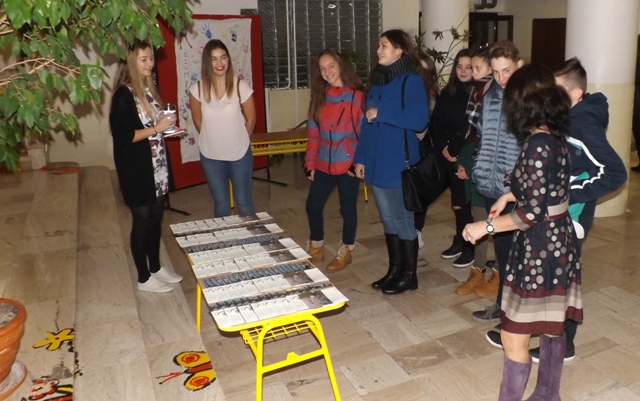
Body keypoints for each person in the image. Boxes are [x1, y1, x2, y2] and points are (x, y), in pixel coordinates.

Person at [464, 82, 583, 401]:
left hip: (539, 245)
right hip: (558, 240)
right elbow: (544, 189)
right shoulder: (555, 139)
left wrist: (485, 226)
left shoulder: (536, 145)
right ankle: (548, 395)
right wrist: (508, 195)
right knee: (551, 324)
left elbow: (531, 213)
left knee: (513, 334)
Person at [525, 57, 625, 362]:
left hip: (572, 215)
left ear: (576, 94)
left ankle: (564, 343)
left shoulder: (583, 125)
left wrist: (569, 193)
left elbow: (615, 173)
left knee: (561, 278)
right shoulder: (566, 117)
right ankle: (539, 331)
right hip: (555, 211)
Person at [353, 29, 429, 294]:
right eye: (378, 45)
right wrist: (360, 158)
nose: (378, 50)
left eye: (384, 45)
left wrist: (382, 112)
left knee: (402, 219)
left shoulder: (411, 81)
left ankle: (409, 276)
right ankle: (395, 270)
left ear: (399, 51)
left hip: (398, 162)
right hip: (376, 160)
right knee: (387, 218)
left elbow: (419, 120)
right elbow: (367, 124)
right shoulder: (377, 81)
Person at [110, 40, 183, 293]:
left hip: (157, 165)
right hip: (137, 169)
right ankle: (143, 277)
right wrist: (156, 129)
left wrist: (168, 129)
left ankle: (156, 267)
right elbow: (124, 136)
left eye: (151, 58)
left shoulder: (150, 89)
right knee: (141, 222)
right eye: (144, 59)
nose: (150, 63)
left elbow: (155, 127)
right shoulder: (123, 95)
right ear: (131, 62)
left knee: (155, 219)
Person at [470, 40, 524, 324]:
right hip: (492, 185)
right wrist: (478, 166)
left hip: (516, 190)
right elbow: (482, 135)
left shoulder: (529, 97)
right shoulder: (489, 95)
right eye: (496, 71)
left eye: (507, 70)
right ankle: (503, 307)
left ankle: (512, 312)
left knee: (516, 253)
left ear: (519, 65)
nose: (501, 77)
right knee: (502, 250)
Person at [304, 49, 365, 271]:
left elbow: (365, 133)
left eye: (331, 66)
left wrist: (358, 161)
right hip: (323, 162)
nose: (327, 72)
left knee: (347, 208)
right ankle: (316, 245)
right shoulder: (318, 98)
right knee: (312, 205)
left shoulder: (356, 96)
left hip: (348, 163)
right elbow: (313, 135)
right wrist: (310, 163)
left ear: (340, 65)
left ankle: (346, 249)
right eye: (322, 68)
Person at [189, 39, 257, 217]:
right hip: (211, 156)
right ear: (207, 62)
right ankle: (225, 236)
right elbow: (198, 120)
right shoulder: (197, 89)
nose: (219, 63)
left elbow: (251, 119)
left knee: (244, 202)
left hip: (239, 155)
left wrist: (241, 141)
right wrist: (212, 139)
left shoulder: (240, 86)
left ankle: (252, 234)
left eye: (223, 57)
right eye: (214, 59)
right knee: (221, 204)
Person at [454, 47, 497, 295]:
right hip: (476, 165)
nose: (471, 72)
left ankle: (499, 274)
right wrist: (463, 163)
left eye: (476, 68)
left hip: (494, 173)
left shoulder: (498, 95)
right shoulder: (476, 91)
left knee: (498, 226)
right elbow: (471, 135)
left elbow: (495, 142)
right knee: (479, 220)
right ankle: (478, 270)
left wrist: (473, 169)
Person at [430, 49, 475, 268]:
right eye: (459, 67)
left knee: (465, 202)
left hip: (466, 153)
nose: (463, 71)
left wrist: (454, 148)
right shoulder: (447, 93)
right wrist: (444, 148)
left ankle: (469, 247)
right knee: (457, 203)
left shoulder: (477, 94)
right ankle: (460, 239)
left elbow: (469, 126)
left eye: (468, 67)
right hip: (447, 153)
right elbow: (436, 122)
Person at [413, 52, 439, 249]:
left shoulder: (434, 94)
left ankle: (417, 229)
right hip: (405, 143)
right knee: (403, 189)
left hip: (424, 146)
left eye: (425, 70)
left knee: (420, 191)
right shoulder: (406, 91)